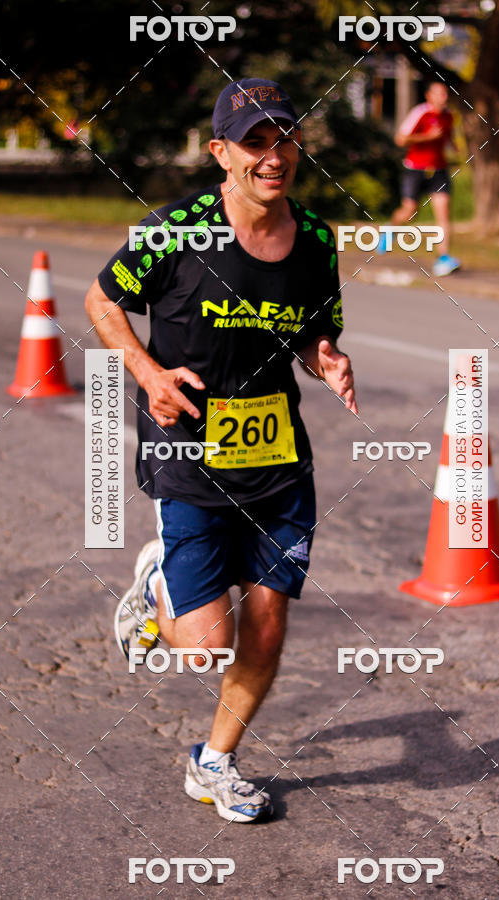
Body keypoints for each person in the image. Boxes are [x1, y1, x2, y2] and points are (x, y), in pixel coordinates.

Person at [84, 77, 357, 824]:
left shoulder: (317, 239)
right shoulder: (177, 230)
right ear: (221, 152)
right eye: (255, 141)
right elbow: (101, 301)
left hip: (277, 460)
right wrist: (146, 372)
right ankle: (160, 585)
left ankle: (215, 764)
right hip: (190, 453)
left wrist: (325, 358)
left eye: (285, 138)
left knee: (267, 618)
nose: (275, 155)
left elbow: (311, 330)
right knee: (205, 647)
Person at [379, 80, 460, 277]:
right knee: (409, 211)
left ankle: (443, 258)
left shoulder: (449, 116)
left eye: (446, 94)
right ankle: (390, 230)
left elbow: (448, 138)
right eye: (440, 94)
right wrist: (427, 137)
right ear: (429, 96)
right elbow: (401, 139)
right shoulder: (420, 113)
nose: (444, 98)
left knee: (443, 212)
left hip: (439, 169)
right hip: (415, 168)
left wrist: (453, 149)